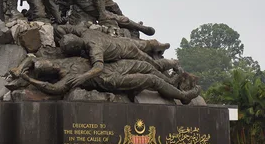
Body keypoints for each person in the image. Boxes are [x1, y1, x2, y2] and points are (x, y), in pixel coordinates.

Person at [18, 56, 200, 104]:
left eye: (47, 63)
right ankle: (183, 96)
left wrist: (23, 67)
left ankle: (173, 82)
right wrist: (27, 78)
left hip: (112, 66)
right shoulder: (68, 79)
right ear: (49, 71)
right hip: (110, 79)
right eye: (47, 67)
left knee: (144, 65)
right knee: (151, 80)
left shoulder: (64, 61)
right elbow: (52, 89)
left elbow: (32, 57)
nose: (50, 64)